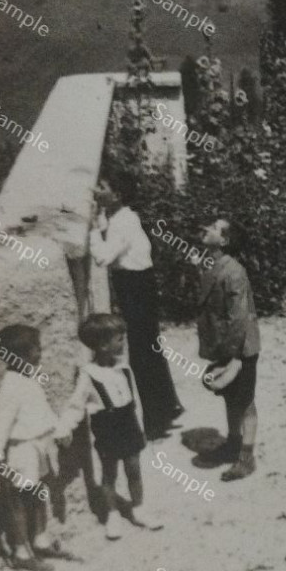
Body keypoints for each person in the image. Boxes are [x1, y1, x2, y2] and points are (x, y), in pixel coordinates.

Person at [90, 175, 183, 438]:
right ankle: (166, 409)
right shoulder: (118, 217)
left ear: (117, 195)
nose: (97, 190)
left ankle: (155, 421)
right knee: (149, 348)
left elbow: (103, 257)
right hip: (138, 285)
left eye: (103, 186)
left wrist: (91, 231)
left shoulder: (124, 222)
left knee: (142, 353)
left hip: (135, 287)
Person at [58, 313, 160, 539]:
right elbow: (76, 405)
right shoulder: (89, 375)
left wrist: (142, 427)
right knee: (109, 473)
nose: (124, 342)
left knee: (134, 469)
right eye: (119, 339)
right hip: (107, 428)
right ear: (103, 346)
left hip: (128, 423)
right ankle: (112, 513)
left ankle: (138, 508)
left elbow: (135, 402)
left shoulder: (124, 369)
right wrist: (64, 427)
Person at [0, 324, 66, 571]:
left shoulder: (28, 378)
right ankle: (19, 550)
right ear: (18, 356)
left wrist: (59, 430)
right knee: (18, 501)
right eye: (35, 350)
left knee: (39, 493)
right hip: (21, 450)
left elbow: (41, 409)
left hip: (38, 446)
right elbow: (1, 421)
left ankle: (39, 539)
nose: (40, 354)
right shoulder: (10, 385)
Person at [193, 218, 261, 481]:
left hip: (240, 346)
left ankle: (246, 457)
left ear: (225, 241)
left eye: (213, 228)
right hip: (225, 344)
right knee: (230, 397)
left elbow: (238, 318)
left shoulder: (233, 271)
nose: (206, 228)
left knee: (245, 402)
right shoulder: (210, 264)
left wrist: (233, 358)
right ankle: (232, 445)